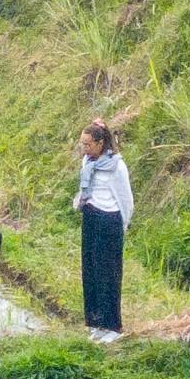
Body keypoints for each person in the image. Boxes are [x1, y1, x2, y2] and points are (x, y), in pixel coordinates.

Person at [73, 120, 131, 339]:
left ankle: (112, 326)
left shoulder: (116, 166)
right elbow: (85, 189)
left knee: (109, 273)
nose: (84, 148)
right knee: (90, 271)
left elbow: (126, 200)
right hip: (91, 216)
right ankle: (95, 323)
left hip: (110, 220)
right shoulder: (87, 162)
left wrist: (123, 225)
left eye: (88, 144)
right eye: (82, 144)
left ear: (100, 143)